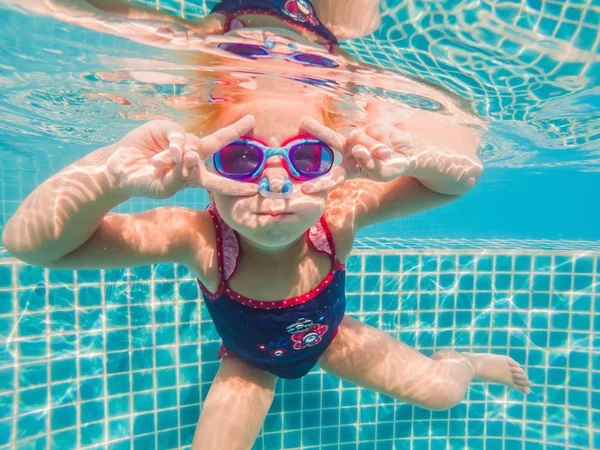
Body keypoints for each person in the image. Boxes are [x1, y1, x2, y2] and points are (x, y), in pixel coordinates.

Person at [2, 1, 532, 449]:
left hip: (331, 340)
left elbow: (457, 181)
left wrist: (412, 157)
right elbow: (31, 246)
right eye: (238, 159)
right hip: (246, 361)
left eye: (305, 159)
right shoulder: (201, 239)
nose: (275, 185)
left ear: (333, 166)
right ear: (202, 169)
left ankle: (461, 360)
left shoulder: (339, 214)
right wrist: (108, 178)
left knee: (444, 392)